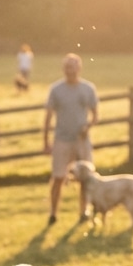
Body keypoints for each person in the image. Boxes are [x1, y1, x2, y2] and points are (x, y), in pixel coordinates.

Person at [43, 53, 98, 225]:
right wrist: (46, 141)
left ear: (79, 69)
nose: (70, 71)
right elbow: (48, 116)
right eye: (67, 67)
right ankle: (53, 213)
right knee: (58, 177)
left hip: (81, 140)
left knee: (85, 178)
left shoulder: (88, 88)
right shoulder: (56, 90)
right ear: (63, 69)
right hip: (62, 139)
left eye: (73, 67)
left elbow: (95, 115)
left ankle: (83, 211)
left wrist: (87, 127)